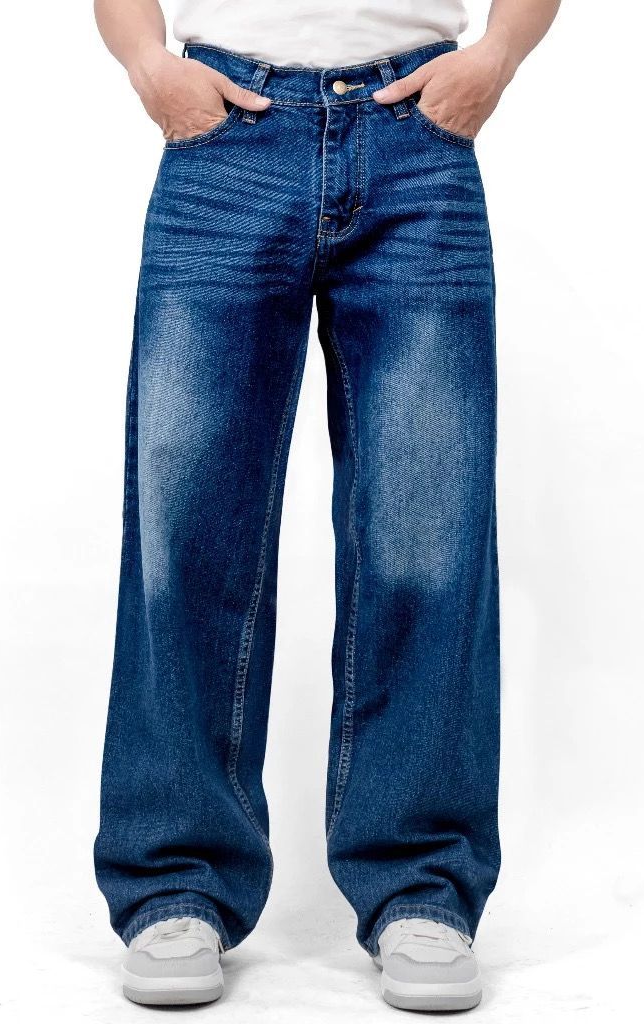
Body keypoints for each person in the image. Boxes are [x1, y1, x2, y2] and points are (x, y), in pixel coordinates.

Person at [92, 0, 559, 1011]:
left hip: (415, 136)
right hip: (225, 134)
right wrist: (144, 63)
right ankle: (175, 881)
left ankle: (421, 885)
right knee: (187, 523)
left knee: (426, 530)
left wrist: (499, 55)